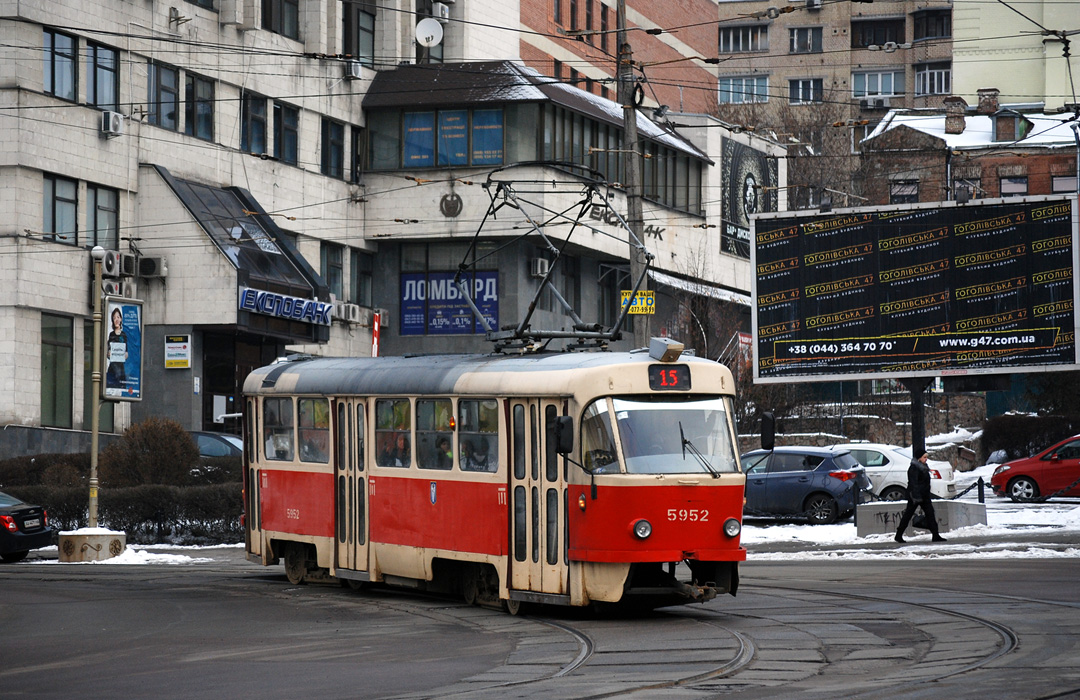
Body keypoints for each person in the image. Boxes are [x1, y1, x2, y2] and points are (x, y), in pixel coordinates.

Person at [895, 451, 947, 543]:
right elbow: (913, 483)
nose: (926, 459)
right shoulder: (914, 468)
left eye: (926, 457)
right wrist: (916, 496)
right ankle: (899, 535)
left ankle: (935, 535)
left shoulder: (923, 467)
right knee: (908, 515)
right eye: (924, 457)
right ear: (919, 458)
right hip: (915, 496)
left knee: (930, 514)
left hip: (924, 495)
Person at [105, 307, 127, 389]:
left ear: (121, 319)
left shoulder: (123, 335)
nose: (116, 319)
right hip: (112, 366)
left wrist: (121, 355)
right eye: (114, 318)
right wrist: (109, 354)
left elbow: (126, 353)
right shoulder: (111, 334)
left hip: (120, 367)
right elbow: (108, 351)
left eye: (118, 317)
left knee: (120, 386)